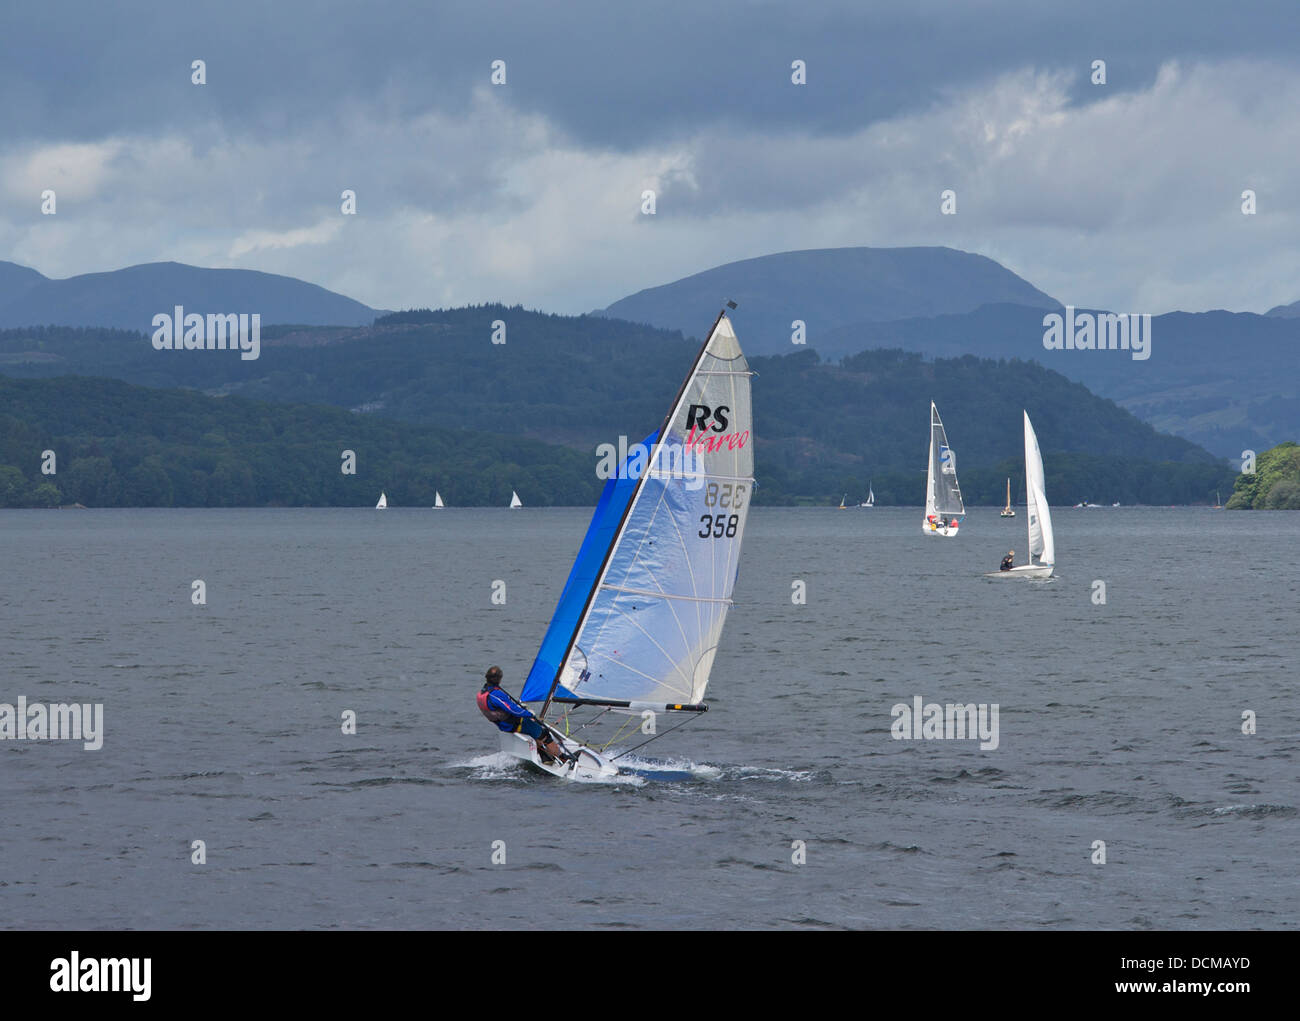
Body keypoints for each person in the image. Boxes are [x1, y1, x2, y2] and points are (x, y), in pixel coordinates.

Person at [477, 666, 571, 764]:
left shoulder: (482, 692)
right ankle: (563, 758)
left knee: (534, 729)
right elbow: (514, 710)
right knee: (544, 734)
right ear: (500, 678)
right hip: (513, 724)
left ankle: (545, 757)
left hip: (503, 725)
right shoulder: (495, 694)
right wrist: (529, 714)